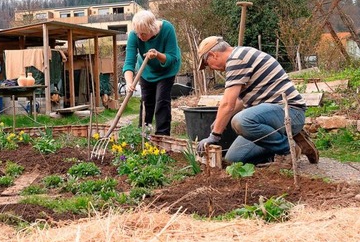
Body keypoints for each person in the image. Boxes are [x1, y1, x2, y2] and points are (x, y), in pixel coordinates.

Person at [195, 36, 319, 166]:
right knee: (234, 159)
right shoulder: (240, 56)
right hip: (272, 116)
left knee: (241, 121)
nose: (211, 68)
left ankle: (287, 150)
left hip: (290, 112)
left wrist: (214, 136)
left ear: (213, 55)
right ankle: (293, 139)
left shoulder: (237, 59)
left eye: (207, 64)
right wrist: (220, 121)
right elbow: (240, 101)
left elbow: (227, 104)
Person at [122, 10, 181, 135]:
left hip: (167, 70)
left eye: (143, 34)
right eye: (137, 33)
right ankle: (143, 134)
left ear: (152, 29)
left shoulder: (167, 29)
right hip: (146, 70)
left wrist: (158, 55)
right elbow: (129, 61)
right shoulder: (135, 35)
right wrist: (129, 82)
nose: (139, 37)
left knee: (161, 101)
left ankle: (163, 136)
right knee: (147, 102)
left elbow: (171, 57)